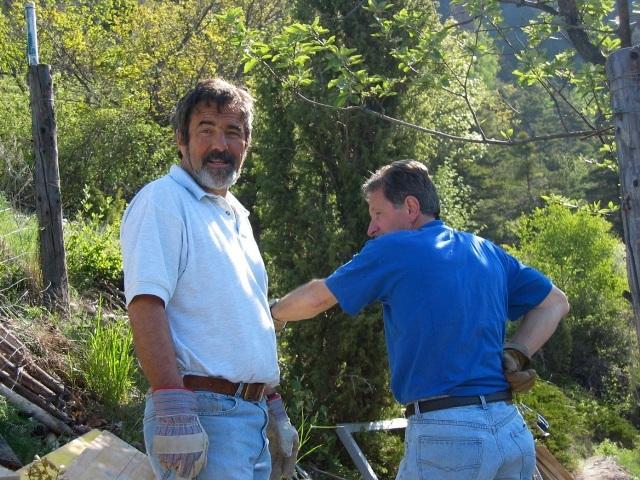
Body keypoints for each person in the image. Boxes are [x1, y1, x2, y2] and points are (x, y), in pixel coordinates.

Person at [270, 159, 570, 480]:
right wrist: (517, 352)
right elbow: (555, 303)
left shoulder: (394, 248)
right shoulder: (486, 250)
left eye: (378, 214)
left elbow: (317, 297)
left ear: (411, 207)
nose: (371, 228)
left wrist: (271, 313)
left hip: (449, 438)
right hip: (511, 432)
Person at [120, 78, 297, 480]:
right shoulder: (163, 200)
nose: (220, 144)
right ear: (181, 140)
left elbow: (243, 324)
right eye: (206, 129)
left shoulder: (236, 216)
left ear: (246, 145)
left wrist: (273, 407)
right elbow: (146, 305)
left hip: (249, 417)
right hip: (202, 412)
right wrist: (172, 406)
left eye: (232, 132)